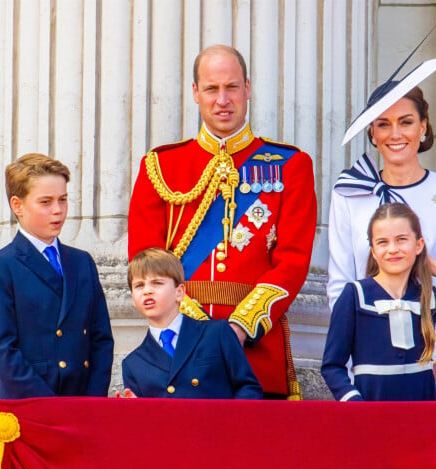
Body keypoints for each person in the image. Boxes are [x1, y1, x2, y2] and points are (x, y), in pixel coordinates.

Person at [128, 45, 316, 399]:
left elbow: (292, 261)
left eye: (231, 87)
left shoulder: (291, 165)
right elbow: (145, 259)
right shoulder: (160, 166)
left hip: (257, 353)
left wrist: (239, 328)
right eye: (212, 89)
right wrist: (197, 331)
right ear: (196, 93)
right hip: (180, 351)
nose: (223, 100)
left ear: (247, 88)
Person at [328, 56, 436, 400]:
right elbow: (340, 283)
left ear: (423, 127)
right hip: (370, 371)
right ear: (372, 132)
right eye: (383, 124)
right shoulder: (349, 194)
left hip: (433, 368)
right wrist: (358, 360)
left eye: (406, 122)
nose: (395, 134)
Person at [0, 153, 114, 399]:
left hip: (80, 405)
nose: (58, 210)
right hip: (27, 405)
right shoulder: (0, 265)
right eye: (46, 202)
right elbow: (1, 349)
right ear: (17, 205)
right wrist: (47, 405)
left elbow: (101, 340)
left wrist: (92, 402)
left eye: (63, 200)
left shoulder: (82, 263)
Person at [322, 203, 436, 401]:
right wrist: (355, 404)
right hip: (371, 410)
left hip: (421, 413)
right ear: (373, 251)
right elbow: (332, 366)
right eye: (383, 242)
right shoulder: (355, 295)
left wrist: (435, 266)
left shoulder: (427, 297)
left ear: (419, 245)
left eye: (402, 240)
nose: (393, 249)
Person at [121, 248, 263, 399]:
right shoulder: (133, 364)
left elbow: (248, 388)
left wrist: (230, 421)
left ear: (180, 292)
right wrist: (134, 411)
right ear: (133, 299)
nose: (147, 291)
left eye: (157, 283)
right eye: (139, 285)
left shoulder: (217, 333)